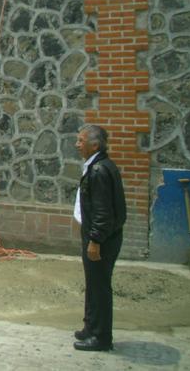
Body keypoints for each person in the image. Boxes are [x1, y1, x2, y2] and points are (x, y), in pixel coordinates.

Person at [73, 124, 127, 352]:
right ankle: (90, 327)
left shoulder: (99, 170)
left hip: (101, 239)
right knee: (93, 285)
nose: (77, 144)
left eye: (80, 140)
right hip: (97, 236)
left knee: (100, 286)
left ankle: (101, 337)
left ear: (94, 145)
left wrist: (95, 240)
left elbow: (103, 211)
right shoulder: (98, 165)